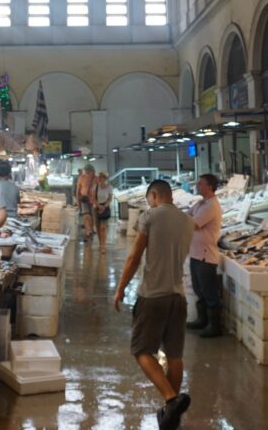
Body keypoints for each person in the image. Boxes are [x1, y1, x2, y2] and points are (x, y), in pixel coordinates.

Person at [113, 180, 194, 430]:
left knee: (141, 351)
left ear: (155, 195)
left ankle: (171, 399)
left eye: (150, 199)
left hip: (152, 296)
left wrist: (120, 288)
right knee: (175, 355)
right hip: (177, 296)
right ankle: (171, 414)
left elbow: (134, 257)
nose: (149, 203)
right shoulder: (188, 221)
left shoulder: (150, 216)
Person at [186, 173, 223, 338]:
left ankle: (214, 326)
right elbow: (187, 216)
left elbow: (192, 224)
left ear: (209, 187)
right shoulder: (200, 203)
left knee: (209, 292)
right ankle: (202, 319)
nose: (197, 185)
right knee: (199, 289)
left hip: (206, 256)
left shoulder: (211, 206)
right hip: (196, 254)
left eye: (200, 184)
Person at [74, 164, 98, 240]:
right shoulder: (81, 177)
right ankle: (88, 230)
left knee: (93, 216)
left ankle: (92, 228)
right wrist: (77, 200)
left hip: (94, 200)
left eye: (88, 170)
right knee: (86, 215)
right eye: (86, 170)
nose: (87, 172)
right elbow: (78, 189)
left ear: (92, 171)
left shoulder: (96, 178)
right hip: (84, 199)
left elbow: (99, 189)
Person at [93, 171, 113, 253]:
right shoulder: (96, 187)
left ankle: (103, 246)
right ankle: (100, 242)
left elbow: (110, 198)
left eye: (103, 177)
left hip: (105, 208)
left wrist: (104, 206)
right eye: (100, 177)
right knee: (98, 227)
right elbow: (94, 198)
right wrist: (98, 206)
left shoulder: (109, 187)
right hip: (97, 208)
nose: (101, 179)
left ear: (105, 179)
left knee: (103, 228)